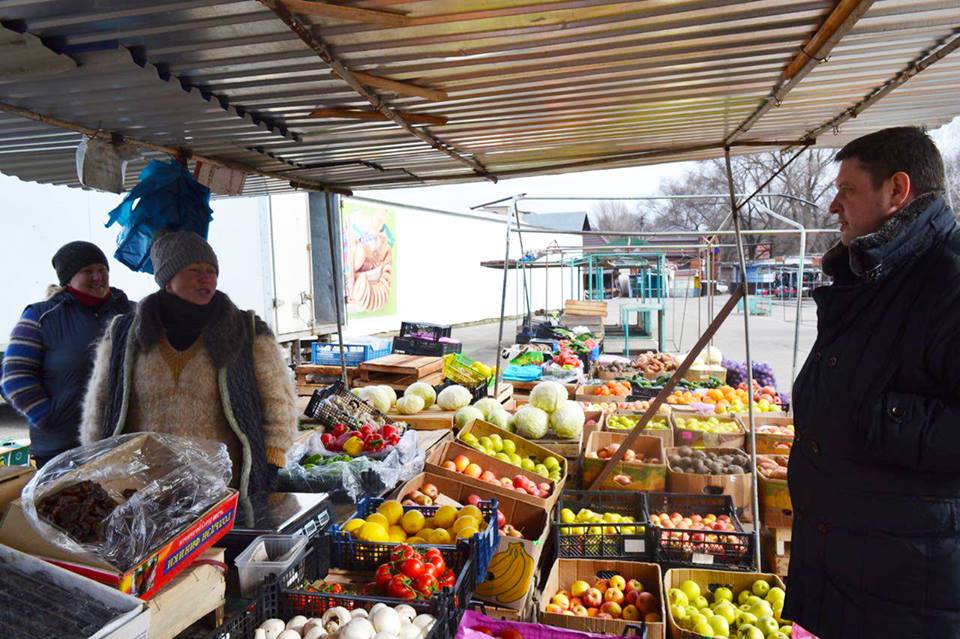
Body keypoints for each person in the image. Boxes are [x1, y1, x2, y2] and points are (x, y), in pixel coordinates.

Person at [785, 127, 960, 637]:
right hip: (865, 564)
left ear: (897, 190)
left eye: (847, 190)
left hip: (910, 584)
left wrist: (879, 415)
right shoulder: (878, 274)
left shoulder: (947, 279)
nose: (835, 206)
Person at [80, 231, 297, 513]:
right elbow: (100, 403)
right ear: (168, 280)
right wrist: (94, 461)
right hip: (144, 489)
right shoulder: (125, 334)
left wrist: (273, 455)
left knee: (217, 556)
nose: (206, 278)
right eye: (194, 271)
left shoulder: (246, 330)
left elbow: (278, 399)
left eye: (211, 271)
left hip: (222, 489)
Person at [1, 242, 132, 467]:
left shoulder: (130, 312)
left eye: (102, 270)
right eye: (88, 271)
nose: (98, 277)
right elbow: (15, 375)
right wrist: (47, 416)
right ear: (68, 278)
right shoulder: (42, 316)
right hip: (60, 448)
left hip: (119, 442)